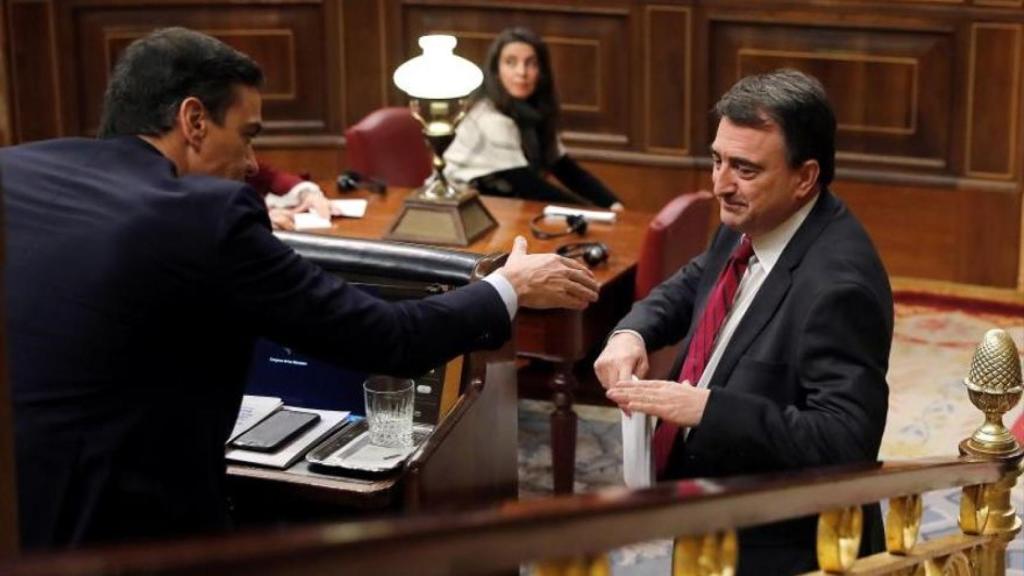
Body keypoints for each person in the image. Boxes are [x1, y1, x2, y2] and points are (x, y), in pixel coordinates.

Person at [2, 27, 599, 550]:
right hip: (132, 535)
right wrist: (507, 287)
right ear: (193, 120)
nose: (250, 161)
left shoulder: (17, 171)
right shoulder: (208, 216)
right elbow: (389, 338)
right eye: (249, 134)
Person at [594, 69, 892, 575]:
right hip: (710, 515)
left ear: (805, 177)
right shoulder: (754, 218)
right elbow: (695, 283)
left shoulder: (841, 286)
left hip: (784, 546)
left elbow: (846, 440)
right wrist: (632, 332)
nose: (720, 185)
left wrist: (708, 409)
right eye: (717, 160)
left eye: (745, 169)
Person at [443, 27, 623, 210]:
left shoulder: (533, 113)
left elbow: (565, 168)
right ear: (496, 71)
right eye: (510, 63)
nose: (522, 72)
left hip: (502, 206)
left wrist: (613, 204)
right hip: (459, 210)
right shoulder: (488, 117)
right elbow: (529, 186)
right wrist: (593, 213)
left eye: (531, 63)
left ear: (541, 72)